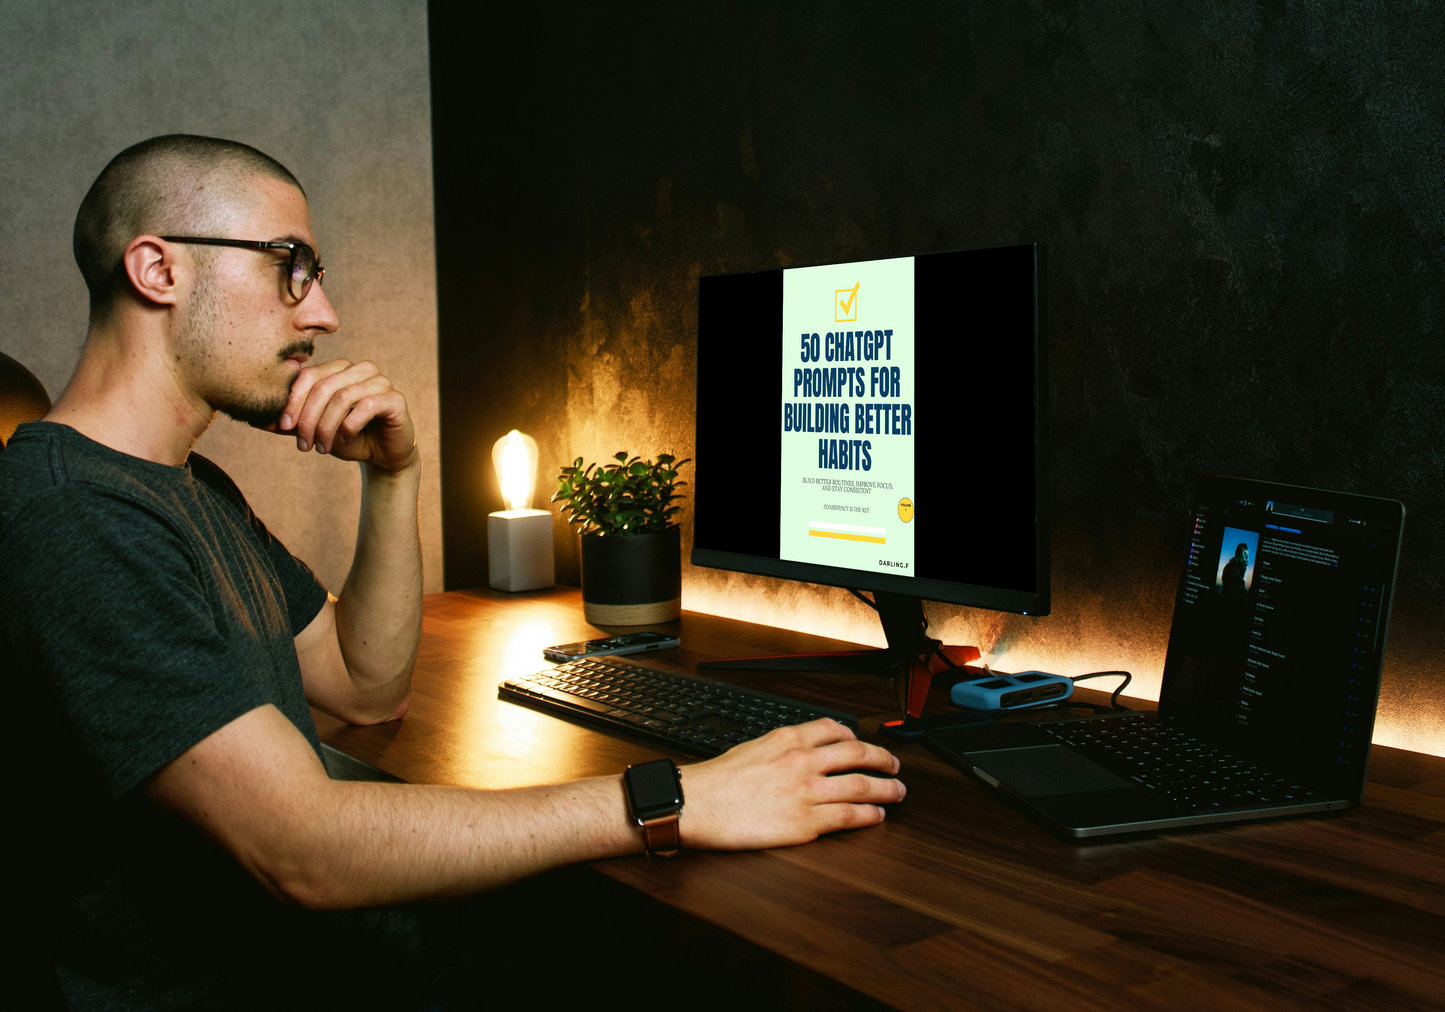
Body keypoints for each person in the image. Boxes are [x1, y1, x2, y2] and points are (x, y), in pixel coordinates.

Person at [0, 135, 905, 1009]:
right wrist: (674, 798)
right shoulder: (76, 515)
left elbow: (364, 683)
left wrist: (393, 474)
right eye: (291, 266)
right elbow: (303, 849)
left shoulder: (180, 488)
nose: (323, 312)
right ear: (158, 270)